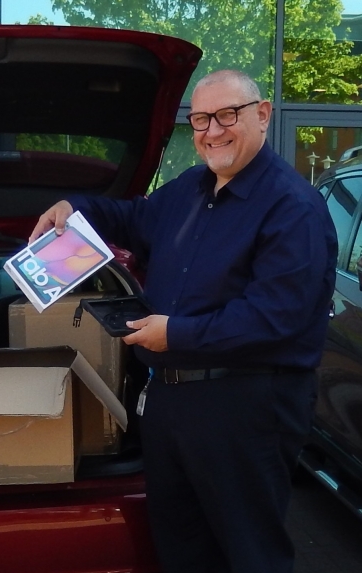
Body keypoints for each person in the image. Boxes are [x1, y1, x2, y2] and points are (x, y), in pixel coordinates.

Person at [29, 70, 337, 573]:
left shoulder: (292, 208)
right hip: (171, 402)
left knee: (250, 550)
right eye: (199, 120)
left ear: (262, 114)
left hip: (246, 406)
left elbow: (274, 316)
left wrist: (175, 333)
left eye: (226, 115)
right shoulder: (190, 189)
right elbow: (129, 218)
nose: (212, 131)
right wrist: (75, 205)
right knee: (181, 545)